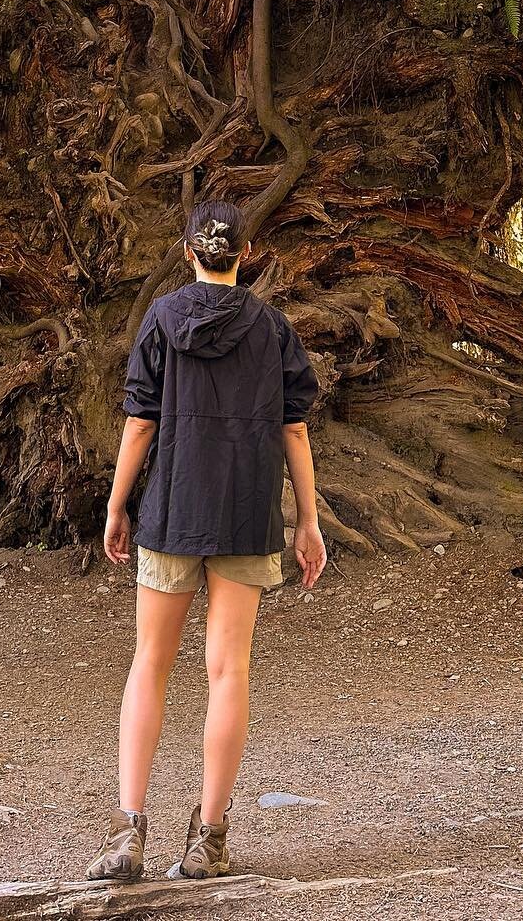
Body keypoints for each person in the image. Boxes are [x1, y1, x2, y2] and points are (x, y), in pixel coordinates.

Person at [85, 199, 326, 883]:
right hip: (247, 514)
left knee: (149, 665)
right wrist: (306, 519)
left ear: (189, 252)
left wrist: (116, 505)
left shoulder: (161, 319)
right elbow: (295, 428)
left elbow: (139, 424)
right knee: (230, 672)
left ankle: (128, 833)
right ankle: (208, 840)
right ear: (244, 255)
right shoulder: (272, 327)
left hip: (169, 513)